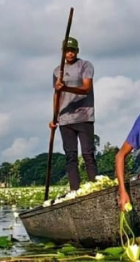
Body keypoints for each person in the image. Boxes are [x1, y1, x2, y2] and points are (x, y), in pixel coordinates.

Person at [48, 36, 98, 191]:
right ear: (63, 52)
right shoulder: (57, 71)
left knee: (88, 154)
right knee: (70, 156)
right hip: (65, 119)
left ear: (77, 51)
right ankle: (74, 190)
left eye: (73, 50)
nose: (70, 54)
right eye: (67, 51)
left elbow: (86, 88)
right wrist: (54, 118)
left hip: (84, 116)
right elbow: (57, 95)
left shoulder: (85, 65)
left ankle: (95, 187)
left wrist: (66, 88)